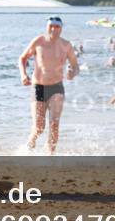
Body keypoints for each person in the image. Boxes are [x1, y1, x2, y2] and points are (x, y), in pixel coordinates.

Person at [18, 16, 79, 153]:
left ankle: (51, 156)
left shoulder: (66, 45)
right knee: (39, 127)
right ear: (47, 27)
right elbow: (22, 58)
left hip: (56, 87)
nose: (53, 29)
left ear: (61, 29)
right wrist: (23, 75)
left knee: (54, 124)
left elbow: (76, 66)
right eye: (51, 26)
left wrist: (72, 73)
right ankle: (28, 149)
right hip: (38, 87)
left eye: (57, 27)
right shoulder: (39, 41)